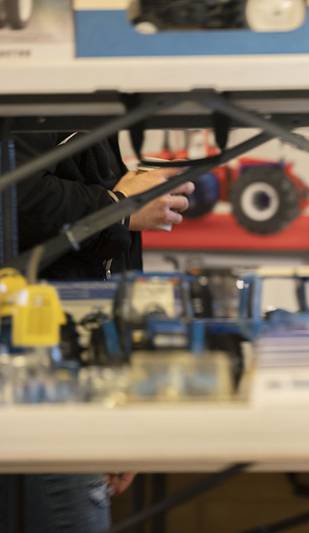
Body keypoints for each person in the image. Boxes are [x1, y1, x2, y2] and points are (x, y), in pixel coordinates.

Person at [0, 131, 193, 533]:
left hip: (68, 385)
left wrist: (122, 408)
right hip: (40, 390)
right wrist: (115, 210)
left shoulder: (87, 105)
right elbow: (12, 192)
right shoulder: (45, 93)